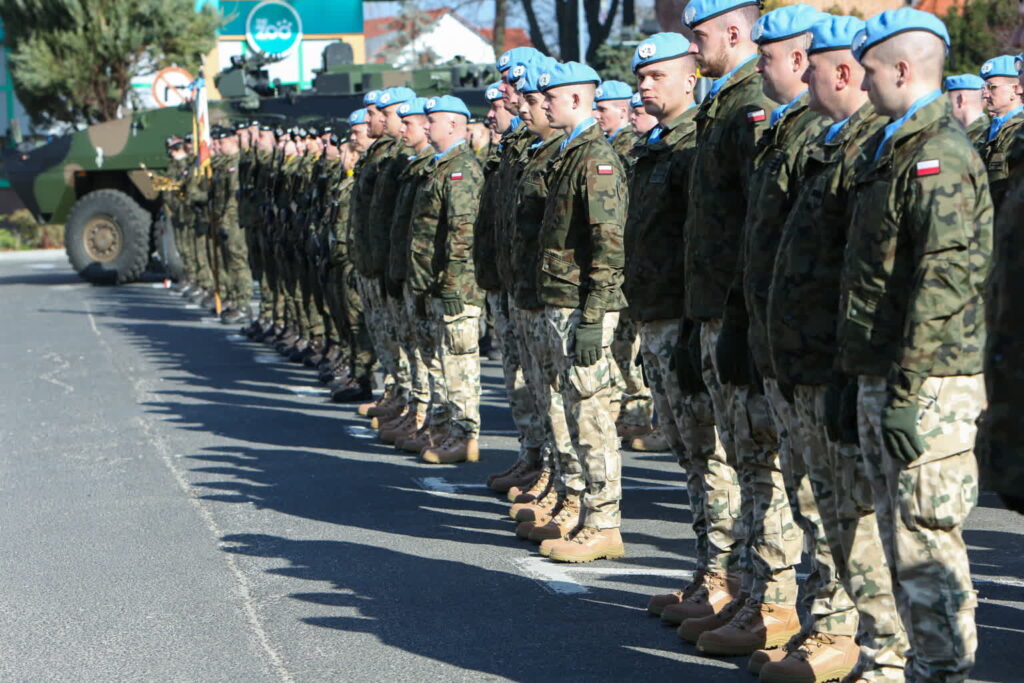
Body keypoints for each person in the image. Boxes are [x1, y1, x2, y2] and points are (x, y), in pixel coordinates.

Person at [841, 9, 992, 680]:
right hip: (891, 372)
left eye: (870, 70)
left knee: (927, 539)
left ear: (902, 69)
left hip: (928, 380)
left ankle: (945, 672)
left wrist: (905, 388)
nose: (862, 83)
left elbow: (942, 279)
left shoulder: (939, 153)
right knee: (897, 536)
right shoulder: (897, 145)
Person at [764, 14, 907, 682]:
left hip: (840, 363)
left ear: (841, 72)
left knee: (849, 511)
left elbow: (871, 273)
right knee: (818, 502)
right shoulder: (831, 142)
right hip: (807, 359)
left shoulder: (871, 148)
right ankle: (829, 626)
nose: (798, 77)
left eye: (809, 66)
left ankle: (859, 638)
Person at [674, 0, 774, 641]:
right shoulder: (722, 102)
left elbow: (753, 223)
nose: (695, 45)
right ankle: (733, 582)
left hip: (736, 310)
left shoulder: (749, 104)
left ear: (735, 31)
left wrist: (737, 316)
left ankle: (767, 597)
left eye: (701, 34)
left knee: (756, 464)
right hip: (711, 307)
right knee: (732, 456)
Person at [618, 31, 725, 624]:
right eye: (641, 77)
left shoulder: (692, 143)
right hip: (656, 316)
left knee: (711, 453)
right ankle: (708, 567)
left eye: (655, 75)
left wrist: (690, 325)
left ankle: (726, 576)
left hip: (685, 318)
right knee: (687, 451)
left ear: (689, 78)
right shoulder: (656, 145)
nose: (643, 85)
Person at [532, 60, 628, 563]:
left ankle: (604, 521)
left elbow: (607, 245)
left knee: (592, 416)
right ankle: (590, 514)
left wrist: (594, 315)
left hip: (582, 305)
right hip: (563, 300)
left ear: (576, 100)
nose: (543, 103)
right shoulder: (570, 154)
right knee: (576, 411)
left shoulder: (595, 158)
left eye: (551, 97)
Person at [406, 95, 486, 464]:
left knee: (459, 362)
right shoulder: (440, 167)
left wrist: (453, 282)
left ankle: (464, 434)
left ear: (454, 124)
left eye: (432, 120)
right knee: (442, 361)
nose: (425, 126)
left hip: (457, 287)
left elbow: (462, 231)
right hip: (435, 283)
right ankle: (445, 429)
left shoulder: (461, 169)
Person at [980, 54, 1024, 211]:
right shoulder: (987, 132)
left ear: (1014, 90)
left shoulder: (1020, 130)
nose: (985, 94)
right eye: (983, 87)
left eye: (992, 87)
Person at [945, 74, 989, 149]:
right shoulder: (988, 134)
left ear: (961, 100)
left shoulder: (980, 138)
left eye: (949, 100)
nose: (946, 105)